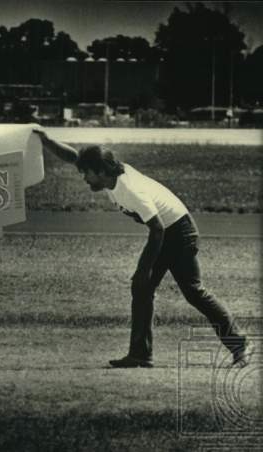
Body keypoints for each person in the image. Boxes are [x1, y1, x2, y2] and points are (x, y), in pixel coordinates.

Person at [33, 129, 248, 368]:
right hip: (168, 232)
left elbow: (157, 229)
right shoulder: (108, 174)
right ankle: (140, 354)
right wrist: (46, 140)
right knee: (143, 289)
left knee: (191, 291)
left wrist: (143, 268)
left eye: (87, 174)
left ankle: (238, 345)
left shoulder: (130, 189)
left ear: (101, 172)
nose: (85, 179)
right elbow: (75, 158)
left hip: (179, 233)